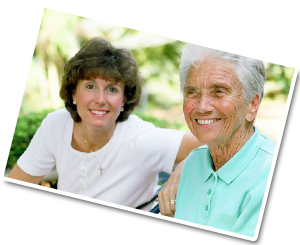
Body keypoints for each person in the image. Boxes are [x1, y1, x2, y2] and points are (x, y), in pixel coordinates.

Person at [8, 37, 201, 211]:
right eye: (90, 86)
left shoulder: (141, 138)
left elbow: (215, 144)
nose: (100, 99)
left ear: (125, 98)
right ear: (74, 92)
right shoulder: (56, 125)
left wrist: (185, 166)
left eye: (112, 89)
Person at [173, 43, 275, 237]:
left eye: (219, 91)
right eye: (192, 92)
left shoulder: (266, 175)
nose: (202, 107)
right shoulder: (194, 161)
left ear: (252, 105)